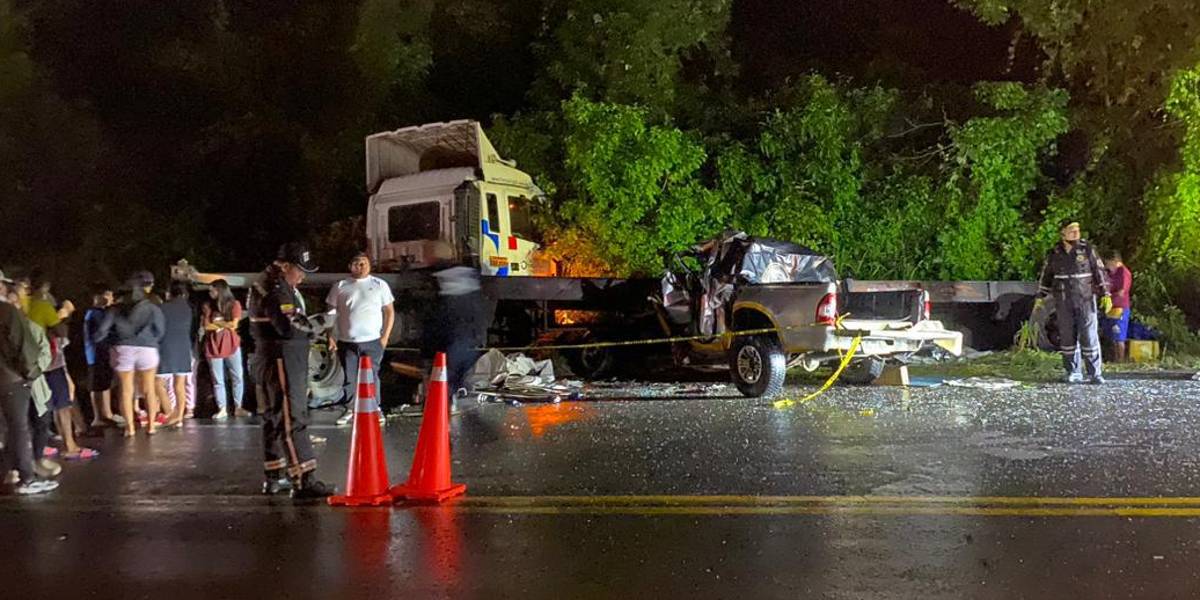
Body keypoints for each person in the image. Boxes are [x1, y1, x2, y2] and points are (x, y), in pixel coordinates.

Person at [248, 242, 335, 499]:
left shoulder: (270, 283)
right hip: (281, 359)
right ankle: (303, 478)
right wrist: (321, 323)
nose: (303, 276)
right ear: (285, 266)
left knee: (275, 417)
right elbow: (290, 327)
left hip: (274, 357)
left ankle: (275, 475)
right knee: (291, 416)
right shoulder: (276, 289)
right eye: (300, 270)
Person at [0, 270, 59, 494]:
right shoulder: (7, 312)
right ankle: (27, 477)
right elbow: (24, 347)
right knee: (18, 428)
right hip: (12, 379)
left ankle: (7, 472)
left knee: (3, 429)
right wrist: (30, 374)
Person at [1035, 219, 1112, 384]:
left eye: (1078, 229)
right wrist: (1040, 297)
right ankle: (1073, 371)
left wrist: (1106, 293)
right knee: (1067, 338)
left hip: (1085, 300)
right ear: (1062, 232)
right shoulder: (1054, 253)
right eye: (1071, 230)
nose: (1076, 232)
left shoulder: (1087, 250)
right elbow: (1046, 275)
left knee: (1089, 336)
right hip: (1063, 302)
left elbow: (1099, 271)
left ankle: (1095, 373)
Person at [325, 252, 394, 423]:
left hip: (372, 340)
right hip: (348, 341)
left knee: (372, 374)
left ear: (370, 266)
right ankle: (350, 408)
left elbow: (389, 311)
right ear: (350, 266)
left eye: (364, 263)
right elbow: (330, 313)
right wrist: (330, 336)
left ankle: (375, 407)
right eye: (357, 263)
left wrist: (385, 336)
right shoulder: (340, 286)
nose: (360, 266)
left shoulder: (379, 285)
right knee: (349, 376)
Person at [96, 273, 166, 437]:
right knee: (149, 388)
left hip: (122, 349)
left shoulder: (115, 309)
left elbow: (101, 332)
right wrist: (151, 340)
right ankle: (151, 426)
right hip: (147, 349)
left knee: (126, 390)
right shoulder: (152, 308)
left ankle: (130, 428)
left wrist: (106, 343)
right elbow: (160, 331)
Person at [201, 279, 246, 420]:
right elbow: (207, 326)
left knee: (237, 376)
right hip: (214, 346)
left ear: (219, 290)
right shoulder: (208, 306)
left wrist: (219, 324)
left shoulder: (234, 304)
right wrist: (224, 324)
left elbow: (234, 324)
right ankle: (222, 408)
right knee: (218, 380)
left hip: (231, 345)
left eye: (212, 289)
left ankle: (238, 407)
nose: (210, 292)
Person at [155, 281, 194, 427]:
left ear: (169, 293)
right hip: (184, 347)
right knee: (180, 383)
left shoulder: (162, 308)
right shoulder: (188, 308)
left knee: (157, 382)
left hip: (166, 346)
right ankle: (179, 416)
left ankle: (170, 412)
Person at [84, 283, 122, 428]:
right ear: (98, 297)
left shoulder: (100, 312)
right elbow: (100, 333)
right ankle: (97, 416)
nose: (111, 298)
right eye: (108, 295)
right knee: (96, 385)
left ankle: (107, 413)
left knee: (104, 384)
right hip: (94, 354)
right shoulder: (94, 313)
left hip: (103, 353)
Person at [1101, 251, 1133, 363]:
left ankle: (1121, 360)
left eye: (1108, 263)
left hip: (1120, 307)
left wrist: (1109, 295)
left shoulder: (1123, 272)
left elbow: (1122, 291)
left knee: (1119, 336)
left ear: (1115, 261)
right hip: (1110, 308)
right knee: (1112, 336)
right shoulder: (1110, 273)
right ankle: (1114, 359)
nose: (1107, 266)